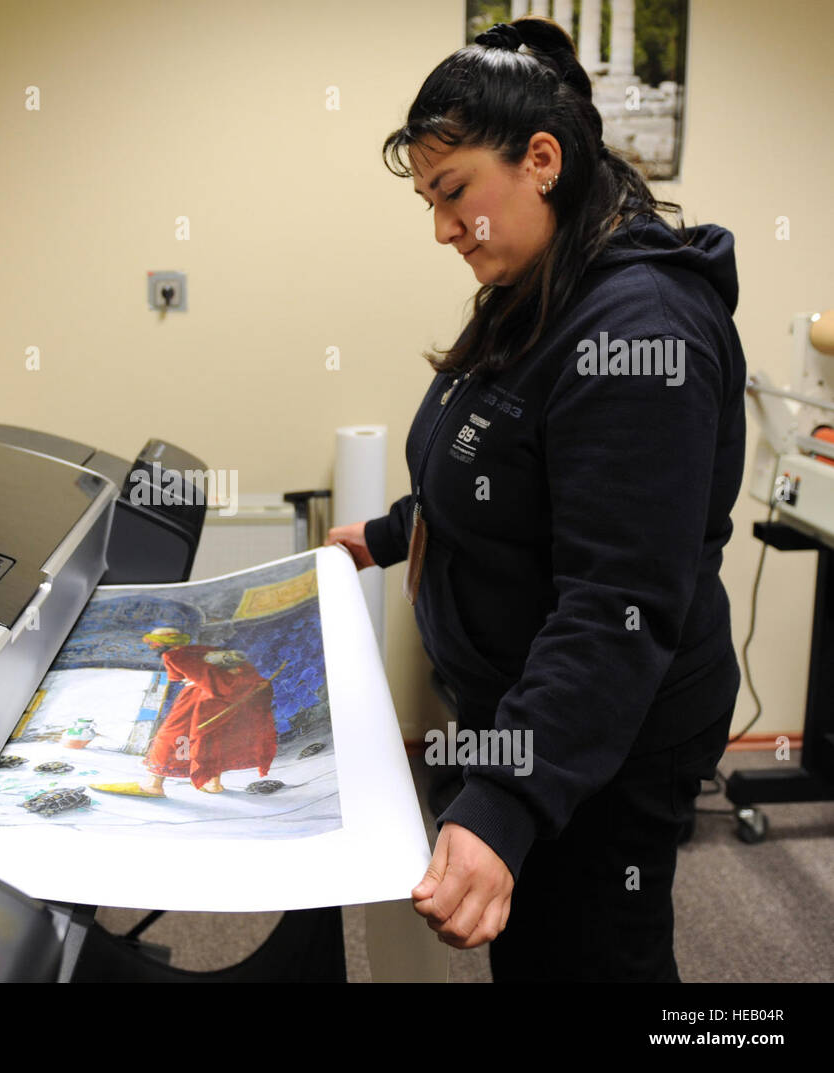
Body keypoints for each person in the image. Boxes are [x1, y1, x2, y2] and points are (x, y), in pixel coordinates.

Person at [326, 16, 745, 982]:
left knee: (597, 952)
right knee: (538, 944)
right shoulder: (540, 278)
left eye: (453, 192)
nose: (441, 227)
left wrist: (508, 798)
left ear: (542, 158)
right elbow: (505, 456)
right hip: (529, 705)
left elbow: (613, 603)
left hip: (610, 729)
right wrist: (395, 531)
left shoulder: (644, 334)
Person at [90, 627, 279, 797]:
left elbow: (189, 677)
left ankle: (153, 785)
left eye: (153, 643)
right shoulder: (204, 650)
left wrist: (214, 689)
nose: (151, 647)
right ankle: (213, 783)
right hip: (218, 698)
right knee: (211, 737)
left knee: (170, 737)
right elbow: (235, 670)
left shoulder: (173, 656)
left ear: (160, 644)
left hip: (198, 698)